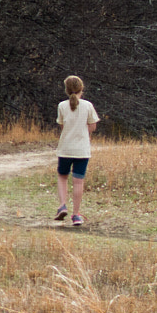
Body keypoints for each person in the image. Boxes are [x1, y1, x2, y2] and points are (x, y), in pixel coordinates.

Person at [54, 75, 100, 225]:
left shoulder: (62, 106)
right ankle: (76, 215)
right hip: (82, 150)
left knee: (62, 177)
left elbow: (62, 126)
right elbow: (93, 126)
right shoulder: (88, 106)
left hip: (66, 149)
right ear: (82, 88)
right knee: (78, 182)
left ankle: (62, 206)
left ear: (67, 90)